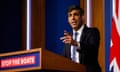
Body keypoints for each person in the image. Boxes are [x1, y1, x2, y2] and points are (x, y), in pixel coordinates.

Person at [60, 5, 101, 72]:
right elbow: (64, 61)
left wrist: (76, 43)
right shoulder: (68, 40)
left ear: (82, 17)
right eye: (70, 15)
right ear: (68, 20)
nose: (72, 18)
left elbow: (92, 50)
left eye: (75, 14)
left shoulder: (92, 32)